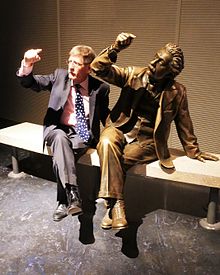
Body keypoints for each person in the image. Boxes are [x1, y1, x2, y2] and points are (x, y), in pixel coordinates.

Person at [90, 32, 219, 231]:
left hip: (148, 142)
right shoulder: (133, 74)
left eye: (160, 62)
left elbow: (184, 122)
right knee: (106, 142)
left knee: (115, 160)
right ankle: (117, 206)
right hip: (119, 128)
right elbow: (97, 68)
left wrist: (194, 150)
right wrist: (116, 47)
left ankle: (111, 206)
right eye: (155, 56)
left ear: (169, 71)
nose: (152, 62)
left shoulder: (178, 92)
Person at [17, 45, 110, 244]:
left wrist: (120, 132)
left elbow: (105, 116)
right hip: (57, 128)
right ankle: (72, 195)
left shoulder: (100, 88)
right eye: (70, 62)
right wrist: (27, 63)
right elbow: (31, 83)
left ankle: (64, 201)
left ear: (89, 68)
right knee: (59, 139)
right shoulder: (59, 76)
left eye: (76, 63)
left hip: (81, 134)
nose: (71, 67)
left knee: (63, 152)